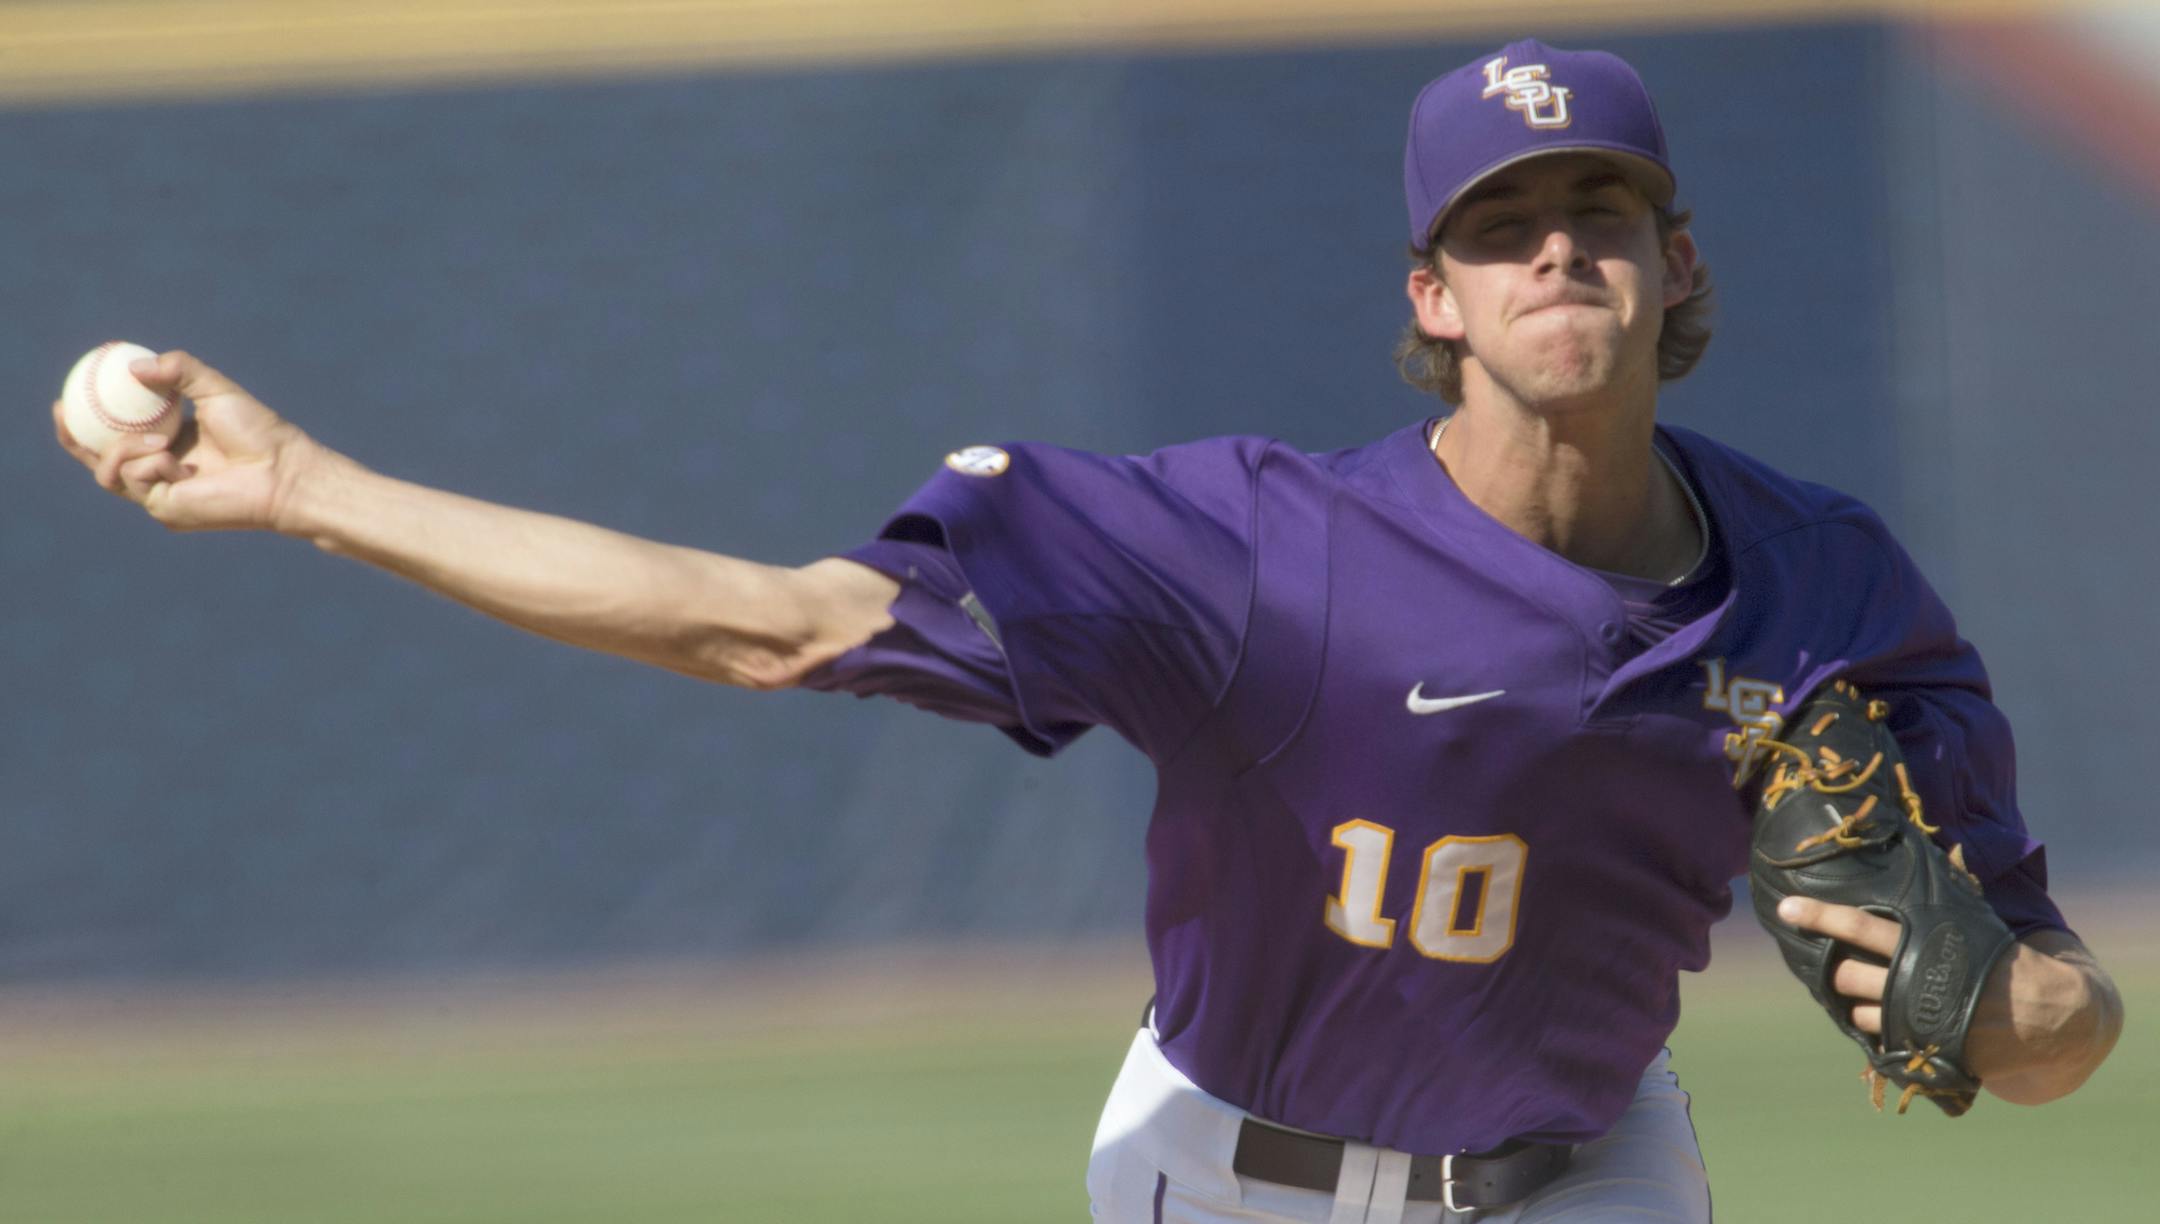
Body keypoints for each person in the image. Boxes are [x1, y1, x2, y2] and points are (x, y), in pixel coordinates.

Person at [58, 37, 2122, 1224]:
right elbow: (768, 628)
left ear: (1678, 266)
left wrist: (1982, 994)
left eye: (1598, 213)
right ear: (1433, 297)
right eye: (1500, 225)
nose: (1552, 250)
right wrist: (310, 486)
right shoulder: (1245, 554)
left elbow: (2051, 1041)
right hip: (1230, 1184)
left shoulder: (1822, 587)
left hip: (1589, 1179)